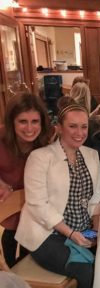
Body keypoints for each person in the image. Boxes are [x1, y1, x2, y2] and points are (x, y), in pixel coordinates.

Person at [16, 102, 100, 288]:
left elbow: (96, 197)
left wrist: (95, 230)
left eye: (84, 126)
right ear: (59, 128)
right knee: (86, 270)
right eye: (72, 126)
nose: (79, 132)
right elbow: (37, 205)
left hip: (82, 229)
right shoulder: (40, 157)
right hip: (47, 234)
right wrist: (71, 234)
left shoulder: (91, 155)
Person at [0, 93, 50, 267]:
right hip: (9, 206)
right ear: (11, 122)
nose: (29, 128)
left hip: (37, 207)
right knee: (11, 248)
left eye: (35, 121)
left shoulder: (47, 140)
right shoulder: (1, 137)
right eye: (22, 121)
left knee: (32, 253)